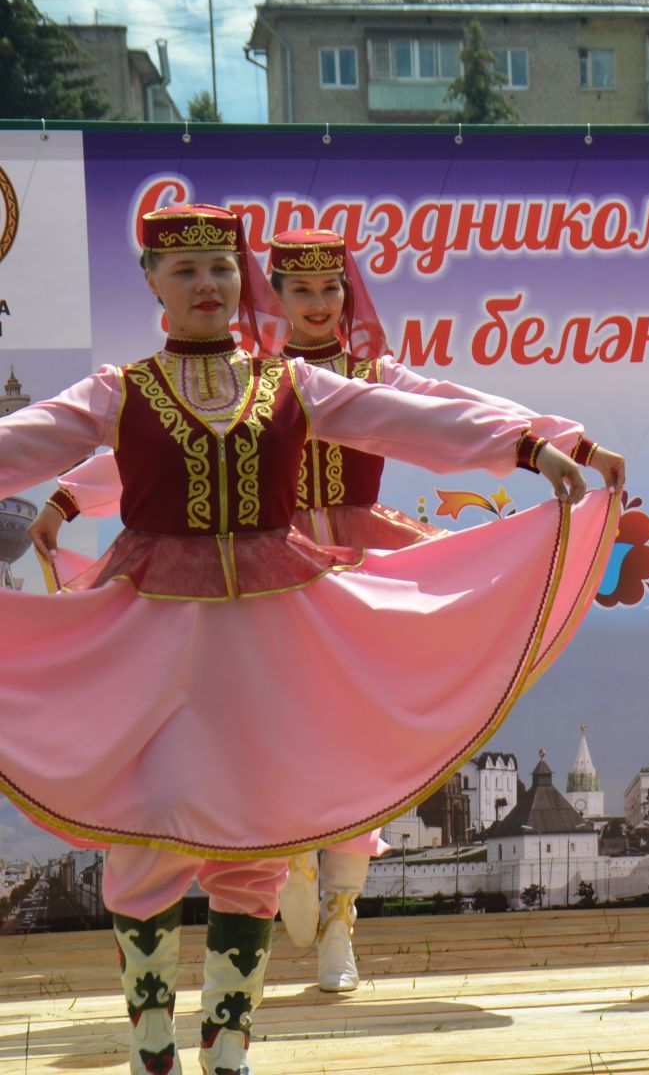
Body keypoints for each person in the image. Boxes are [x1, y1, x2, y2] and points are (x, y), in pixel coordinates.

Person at [6, 205, 616, 1075]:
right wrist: (61, 502)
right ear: (151, 283)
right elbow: (22, 443)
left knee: (260, 832)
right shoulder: (121, 392)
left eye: (222, 270)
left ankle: (228, 1041)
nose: (207, 286)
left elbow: (408, 419)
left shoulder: (289, 384)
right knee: (147, 828)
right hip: (151, 639)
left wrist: (529, 449)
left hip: (271, 640)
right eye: (186, 273)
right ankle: (150, 1039)